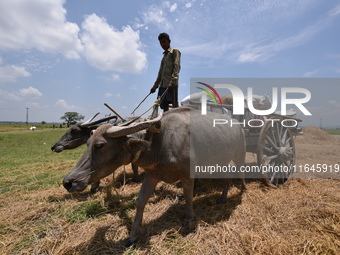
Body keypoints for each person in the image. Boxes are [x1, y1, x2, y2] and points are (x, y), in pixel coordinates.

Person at [150, 33, 181, 112]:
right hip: (163, 85)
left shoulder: (174, 51)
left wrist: (173, 82)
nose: (162, 44)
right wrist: (154, 87)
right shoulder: (164, 56)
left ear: (169, 41)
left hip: (171, 84)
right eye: (161, 43)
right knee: (164, 106)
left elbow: (176, 67)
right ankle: (166, 122)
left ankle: (177, 121)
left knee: (174, 105)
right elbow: (160, 74)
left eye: (164, 41)